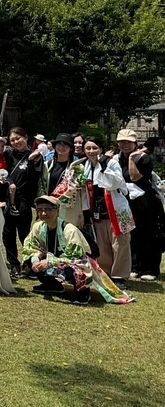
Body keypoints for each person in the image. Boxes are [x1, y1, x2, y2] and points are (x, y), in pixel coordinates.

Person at [23, 195, 132, 305]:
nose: (43, 213)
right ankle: (51, 285)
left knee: (77, 269)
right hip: (55, 261)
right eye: (40, 210)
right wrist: (35, 260)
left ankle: (83, 293)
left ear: (58, 210)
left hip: (80, 263)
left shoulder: (69, 230)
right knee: (30, 260)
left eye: (48, 209)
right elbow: (30, 246)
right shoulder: (38, 227)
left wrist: (50, 262)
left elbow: (76, 258)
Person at [79, 137, 133, 289]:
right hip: (97, 210)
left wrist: (103, 165)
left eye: (94, 148)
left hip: (116, 210)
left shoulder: (111, 163)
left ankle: (120, 276)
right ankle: (106, 272)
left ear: (101, 149)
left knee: (120, 244)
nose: (91, 151)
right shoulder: (85, 167)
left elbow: (114, 183)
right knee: (102, 244)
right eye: (88, 148)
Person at [115, 129, 165, 281]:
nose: (125, 145)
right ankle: (134, 266)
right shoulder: (117, 159)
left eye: (128, 142)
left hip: (147, 203)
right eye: (122, 142)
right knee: (132, 234)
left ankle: (150, 269)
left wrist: (131, 159)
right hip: (127, 202)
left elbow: (134, 177)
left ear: (135, 143)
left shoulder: (143, 158)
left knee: (148, 235)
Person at [3, 127, 44, 277]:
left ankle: (30, 263)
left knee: (24, 233)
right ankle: (14, 264)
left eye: (18, 138)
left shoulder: (36, 156)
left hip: (24, 199)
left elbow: (34, 179)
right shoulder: (8, 154)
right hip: (7, 197)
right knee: (7, 233)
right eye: (12, 140)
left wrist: (32, 161)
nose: (16, 142)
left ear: (26, 137)